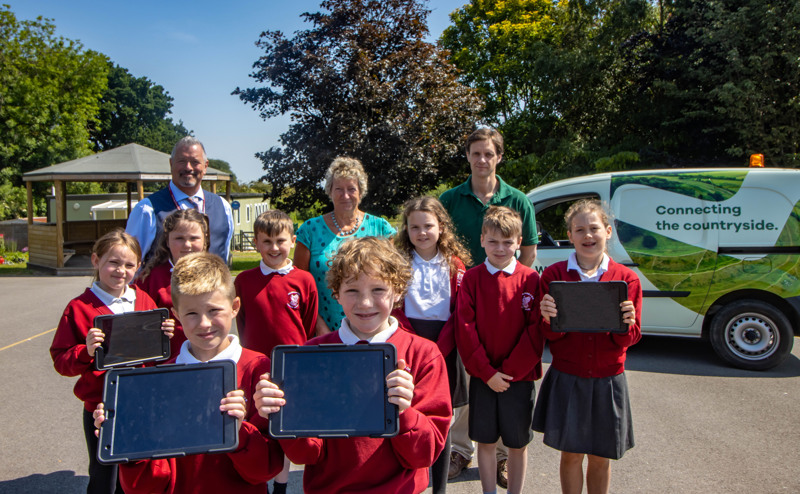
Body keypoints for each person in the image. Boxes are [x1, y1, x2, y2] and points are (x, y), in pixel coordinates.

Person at [254, 236, 451, 494]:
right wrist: (281, 415)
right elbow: (307, 453)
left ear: (399, 290)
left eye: (378, 289)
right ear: (336, 294)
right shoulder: (312, 355)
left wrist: (404, 412)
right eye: (352, 291)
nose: (365, 303)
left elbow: (424, 455)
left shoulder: (424, 355)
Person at [93, 252, 284, 494]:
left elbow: (267, 469)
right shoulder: (161, 378)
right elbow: (146, 486)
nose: (204, 323)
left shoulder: (258, 370)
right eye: (192, 313)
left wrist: (239, 432)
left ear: (235, 307)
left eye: (214, 310)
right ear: (176, 314)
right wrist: (129, 444)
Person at [439, 127, 540, 485]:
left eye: (489, 153)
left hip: (510, 296)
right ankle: (461, 449)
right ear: (467, 155)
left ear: (499, 157)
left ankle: (500, 458)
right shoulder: (450, 199)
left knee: (509, 399)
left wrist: (520, 281)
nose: (482, 160)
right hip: (465, 293)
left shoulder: (518, 200)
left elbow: (527, 251)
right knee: (471, 380)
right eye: (476, 153)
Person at [50, 229, 172, 494]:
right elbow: (61, 360)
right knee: (105, 475)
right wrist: (86, 351)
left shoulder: (144, 300)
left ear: (138, 267)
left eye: (129, 265)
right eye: (113, 262)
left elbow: (157, 356)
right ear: (96, 261)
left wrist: (165, 336)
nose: (121, 271)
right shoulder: (79, 307)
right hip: (101, 407)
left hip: (141, 401)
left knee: (140, 469)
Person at [533, 199, 642, 494]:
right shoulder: (554, 276)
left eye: (594, 228)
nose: (587, 235)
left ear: (607, 231)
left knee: (601, 457)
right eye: (579, 229)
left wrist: (627, 324)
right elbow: (550, 337)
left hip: (608, 379)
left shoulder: (626, 278)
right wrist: (547, 320)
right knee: (570, 455)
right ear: (569, 236)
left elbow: (630, 339)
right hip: (569, 377)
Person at [454, 206, 544, 494]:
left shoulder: (531, 279)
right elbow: (465, 329)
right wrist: (488, 372)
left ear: (519, 242)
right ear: (481, 240)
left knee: (517, 443)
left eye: (508, 242)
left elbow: (536, 331)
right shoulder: (472, 279)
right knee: (486, 441)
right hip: (484, 378)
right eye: (493, 241)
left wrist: (509, 372)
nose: (500, 248)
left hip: (519, 379)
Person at [234, 209, 318, 494]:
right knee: (259, 429)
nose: (274, 248)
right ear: (256, 243)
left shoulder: (304, 280)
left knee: (285, 429)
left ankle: (281, 487)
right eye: (266, 241)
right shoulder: (244, 281)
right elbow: (242, 323)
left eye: (280, 240)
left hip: (292, 370)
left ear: (292, 241)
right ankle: (259, 481)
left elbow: (306, 322)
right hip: (256, 369)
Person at [392, 196, 472, 494]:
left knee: (441, 419)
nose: (422, 232)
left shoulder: (455, 265)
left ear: (441, 227)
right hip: (409, 344)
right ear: (406, 230)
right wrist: (412, 343)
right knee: (408, 415)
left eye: (428, 226)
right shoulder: (398, 263)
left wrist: (441, 347)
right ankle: (409, 483)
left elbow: (459, 312)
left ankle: (439, 487)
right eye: (414, 227)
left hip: (445, 347)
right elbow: (395, 308)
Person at [294, 156, 396, 336]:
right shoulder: (309, 230)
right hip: (324, 329)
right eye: (339, 189)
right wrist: (319, 326)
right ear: (330, 191)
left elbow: (393, 281)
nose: (345, 195)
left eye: (351, 189)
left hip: (373, 327)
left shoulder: (381, 229)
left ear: (361, 192)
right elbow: (299, 286)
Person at [125, 136, 234, 262]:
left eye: (195, 162)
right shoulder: (147, 209)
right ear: (171, 164)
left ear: (205, 166)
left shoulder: (223, 207)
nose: (188, 167)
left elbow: (224, 258)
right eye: (182, 161)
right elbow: (130, 263)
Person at [135, 208, 209, 357]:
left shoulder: (214, 274)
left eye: (194, 238)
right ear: (167, 240)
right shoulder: (150, 279)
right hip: (167, 359)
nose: (187, 245)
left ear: (205, 239)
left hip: (207, 356)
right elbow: (138, 325)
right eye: (179, 238)